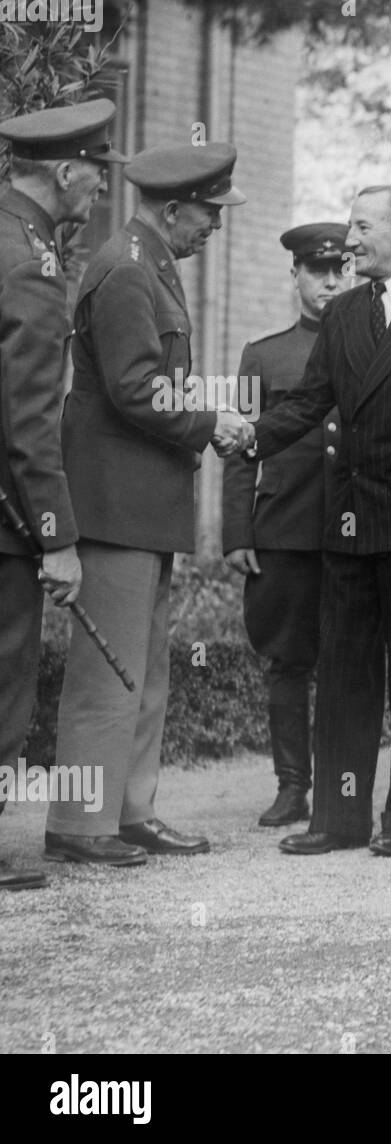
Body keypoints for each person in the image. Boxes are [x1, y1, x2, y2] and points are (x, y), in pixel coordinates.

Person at [247, 186, 391, 858]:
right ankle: (339, 819)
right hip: (347, 522)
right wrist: (249, 437)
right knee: (345, 672)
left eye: (362, 225)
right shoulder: (345, 314)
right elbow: (310, 403)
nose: (350, 239)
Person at [44, 141, 249, 867]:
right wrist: (210, 420)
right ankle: (80, 823)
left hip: (139, 504)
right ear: (172, 208)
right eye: (208, 215)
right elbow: (136, 388)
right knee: (110, 670)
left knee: (143, 668)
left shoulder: (145, 261)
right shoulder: (130, 269)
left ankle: (128, 811)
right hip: (115, 505)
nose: (213, 228)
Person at [0, 100, 127, 888]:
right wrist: (57, 536)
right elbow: (29, 417)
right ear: (65, 170)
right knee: (6, 674)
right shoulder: (31, 262)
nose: (98, 195)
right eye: (94, 176)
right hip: (8, 522)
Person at [222, 223, 346, 827]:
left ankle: (343, 787)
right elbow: (241, 446)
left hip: (355, 531)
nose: (329, 281)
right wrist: (237, 533)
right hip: (285, 529)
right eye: (316, 271)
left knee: (350, 662)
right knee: (287, 663)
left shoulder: (373, 343)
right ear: (294, 275)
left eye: (339, 269)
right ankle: (293, 785)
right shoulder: (263, 355)